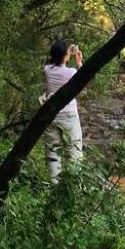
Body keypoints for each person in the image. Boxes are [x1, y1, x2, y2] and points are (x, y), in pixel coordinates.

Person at [43, 40, 84, 182]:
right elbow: (81, 80)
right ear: (66, 57)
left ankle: (54, 184)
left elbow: (51, 61)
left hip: (51, 114)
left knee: (53, 150)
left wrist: (65, 53)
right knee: (74, 149)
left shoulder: (47, 70)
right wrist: (78, 62)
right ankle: (74, 185)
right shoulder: (71, 72)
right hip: (69, 115)